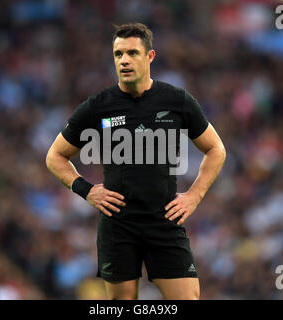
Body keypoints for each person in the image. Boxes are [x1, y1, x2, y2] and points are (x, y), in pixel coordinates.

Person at [46, 23, 226, 300]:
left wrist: (194, 196)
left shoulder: (176, 100)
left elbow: (216, 149)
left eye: (131, 53)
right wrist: (87, 190)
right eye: (118, 54)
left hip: (164, 221)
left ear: (150, 56)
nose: (124, 60)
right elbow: (55, 156)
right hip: (119, 225)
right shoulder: (98, 106)